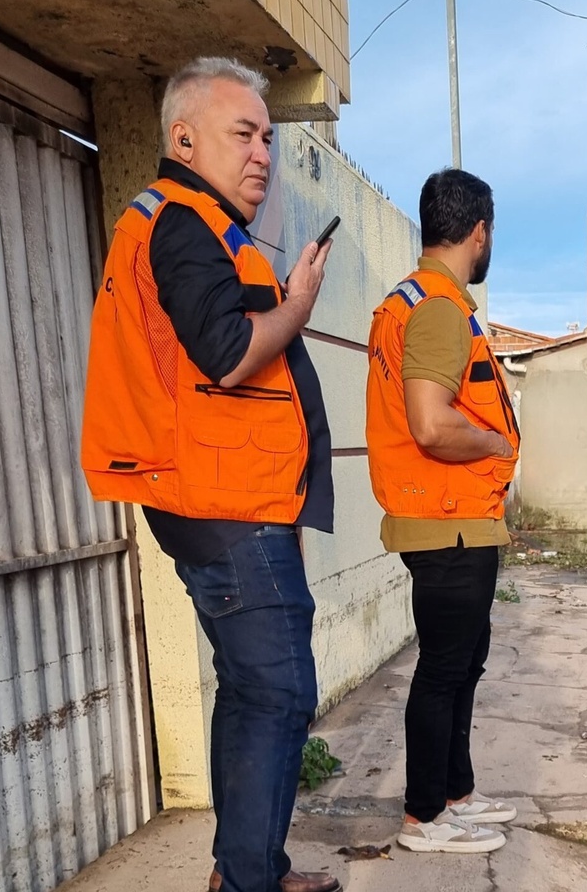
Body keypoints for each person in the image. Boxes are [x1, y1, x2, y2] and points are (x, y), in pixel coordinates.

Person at [81, 57, 339, 892]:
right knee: (281, 695)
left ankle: (246, 870)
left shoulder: (186, 221)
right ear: (183, 138)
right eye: (244, 134)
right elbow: (227, 356)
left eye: (267, 136)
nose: (263, 151)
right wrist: (296, 305)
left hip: (219, 498)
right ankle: (248, 881)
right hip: (226, 507)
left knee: (248, 690)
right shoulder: (185, 221)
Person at [366, 168, 521, 854]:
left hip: (455, 517)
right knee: (443, 668)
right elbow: (430, 426)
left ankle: (455, 794)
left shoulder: (426, 300)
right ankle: (424, 815)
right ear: (479, 230)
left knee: (463, 661)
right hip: (448, 518)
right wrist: (494, 443)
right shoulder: (435, 307)